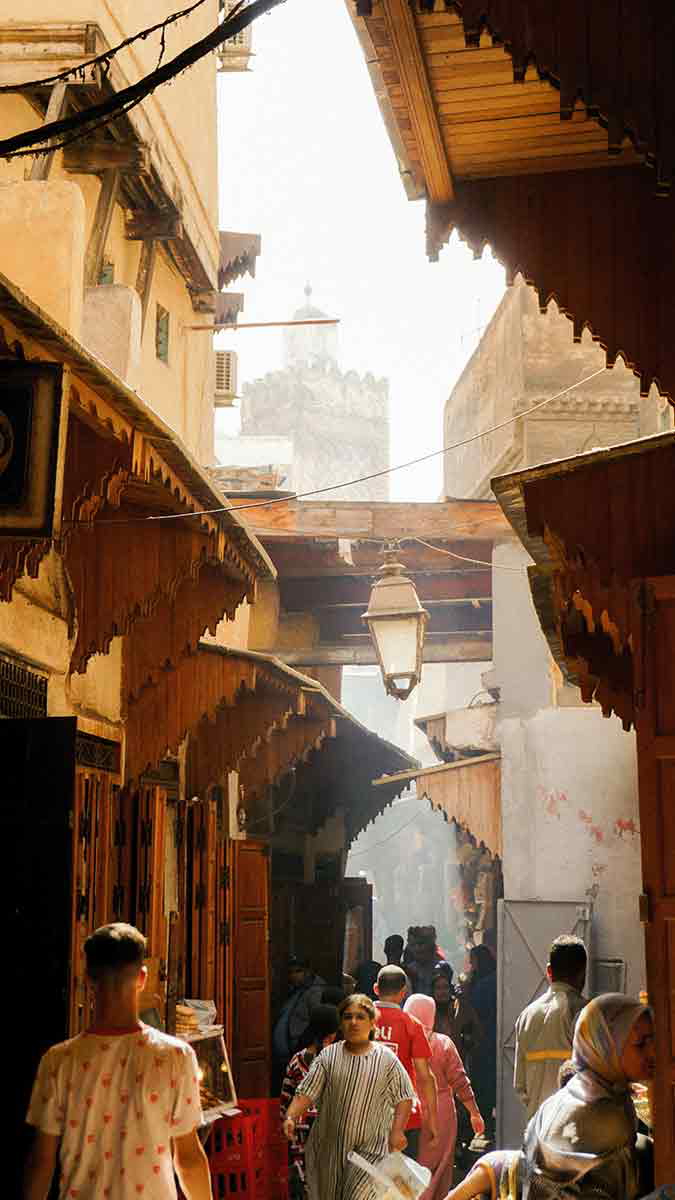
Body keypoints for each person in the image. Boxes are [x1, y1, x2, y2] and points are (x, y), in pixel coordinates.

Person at [23, 922, 211, 1200]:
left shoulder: (58, 1062)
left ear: (88, 978)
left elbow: (41, 1163)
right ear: (142, 978)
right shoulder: (175, 1057)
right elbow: (188, 1160)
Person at [444, 993, 656, 1200]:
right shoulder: (600, 1117)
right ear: (605, 1046)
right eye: (640, 1044)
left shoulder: (599, 1094)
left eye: (653, 1040)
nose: (652, 1052)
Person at [282, 993, 415, 1200]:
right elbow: (306, 1092)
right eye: (347, 1017)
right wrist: (291, 1116)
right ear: (341, 1025)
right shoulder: (328, 1057)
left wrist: (397, 1131)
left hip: (371, 1152)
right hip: (329, 1152)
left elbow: (405, 1096)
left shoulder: (387, 1059)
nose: (353, 1022)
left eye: (360, 1017)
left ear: (372, 1023)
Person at [404, 993, 485, 1200]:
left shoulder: (399, 1042)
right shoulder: (443, 1044)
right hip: (441, 1112)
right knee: (438, 1166)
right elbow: (460, 1081)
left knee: (407, 1166)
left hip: (405, 1109)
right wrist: (474, 1113)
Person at [514, 934, 587, 1121]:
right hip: (573, 1131)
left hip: (536, 1129)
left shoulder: (526, 1016)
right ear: (583, 973)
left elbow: (520, 1085)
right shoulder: (586, 1012)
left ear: (549, 971)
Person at [373, 965, 439, 1160]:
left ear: (376, 989)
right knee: (401, 1184)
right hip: (404, 1120)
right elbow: (425, 1076)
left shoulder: (358, 1021)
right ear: (403, 993)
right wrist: (433, 1120)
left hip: (362, 1116)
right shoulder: (412, 1025)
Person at [280, 1004, 341, 1199]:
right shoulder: (337, 1061)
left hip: (300, 1139)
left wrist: (289, 1120)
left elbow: (285, 1101)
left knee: (304, 1187)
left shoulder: (297, 1060)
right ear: (332, 1035)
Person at [273, 956, 326, 1093]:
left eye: (298, 971)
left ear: (308, 972)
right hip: (287, 1053)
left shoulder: (315, 992)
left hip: (300, 1050)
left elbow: (317, 1022)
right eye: (291, 972)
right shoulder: (295, 991)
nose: (293, 976)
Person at [465, 945, 497, 1142]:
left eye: (473, 962)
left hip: (483, 1044)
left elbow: (472, 1014)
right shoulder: (497, 981)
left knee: (482, 1088)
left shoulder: (481, 986)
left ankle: (484, 1127)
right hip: (496, 1041)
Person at [432, 963, 482, 1065]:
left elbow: (477, 1033)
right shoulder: (428, 1009)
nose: (442, 992)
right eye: (438, 988)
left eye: (445, 987)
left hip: (457, 1061)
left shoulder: (460, 1008)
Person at [405, 927, 444, 996]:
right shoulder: (408, 970)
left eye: (420, 944)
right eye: (413, 945)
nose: (417, 949)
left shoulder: (441, 968)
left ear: (430, 945)